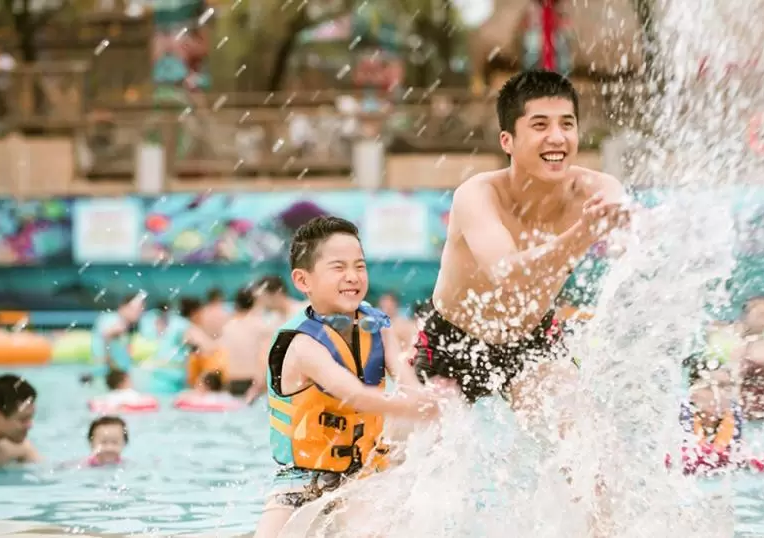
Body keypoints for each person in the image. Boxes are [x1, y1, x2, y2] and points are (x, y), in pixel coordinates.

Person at [414, 70, 630, 413]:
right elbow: (508, 274)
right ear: (507, 141)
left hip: (534, 339)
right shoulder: (478, 195)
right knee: (416, 455)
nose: (557, 137)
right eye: (540, 125)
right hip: (452, 340)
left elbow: (629, 235)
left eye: (567, 124)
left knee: (579, 446)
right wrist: (583, 232)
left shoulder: (596, 191)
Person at [255, 216, 437, 538]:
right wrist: (415, 408)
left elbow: (403, 375)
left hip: (365, 474)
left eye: (360, 266)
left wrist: (424, 401)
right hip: (302, 481)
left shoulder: (376, 324)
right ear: (302, 280)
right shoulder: (302, 344)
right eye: (338, 267)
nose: (353, 277)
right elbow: (353, 394)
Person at [221, 287, 276, 399]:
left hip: (232, 380)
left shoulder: (228, 326)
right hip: (254, 381)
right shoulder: (260, 325)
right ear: (254, 303)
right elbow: (266, 356)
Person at [92, 292, 147, 376]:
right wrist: (109, 362)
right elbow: (107, 335)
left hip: (114, 373)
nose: (139, 313)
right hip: (108, 374)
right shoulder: (115, 321)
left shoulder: (125, 324)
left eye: (141, 309)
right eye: (136, 309)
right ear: (123, 307)